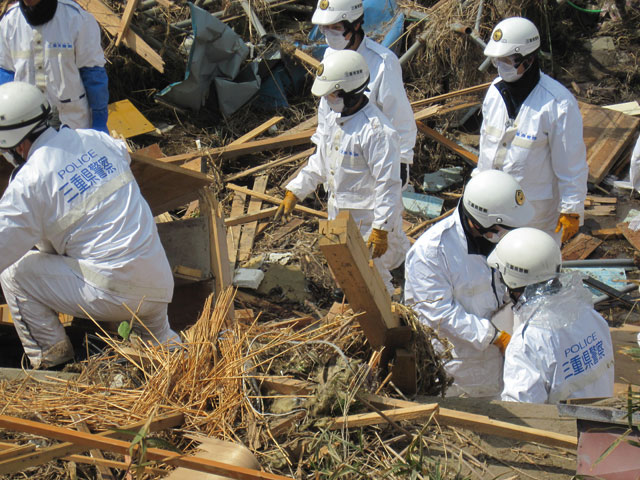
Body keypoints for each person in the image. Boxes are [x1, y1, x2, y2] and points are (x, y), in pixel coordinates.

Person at [0, 81, 176, 369]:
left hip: (111, 290)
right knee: (162, 351)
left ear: (18, 145)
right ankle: (193, 363)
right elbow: (122, 155)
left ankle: (53, 364)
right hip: (157, 283)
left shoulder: (29, 183)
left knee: (13, 275)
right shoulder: (97, 140)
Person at [275, 50, 409, 293]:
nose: (328, 99)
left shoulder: (377, 132)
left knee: (376, 280)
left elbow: (388, 184)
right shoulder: (336, 120)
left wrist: (381, 227)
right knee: (354, 273)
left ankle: (392, 322)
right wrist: (296, 190)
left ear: (352, 91)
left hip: (368, 221)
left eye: (333, 94)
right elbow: (321, 162)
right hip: (339, 214)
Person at [404, 170, 534, 397]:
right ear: (480, 223)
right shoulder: (432, 252)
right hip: (458, 365)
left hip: (500, 358)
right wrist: (493, 336)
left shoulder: (494, 237)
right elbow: (438, 312)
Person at [475, 16, 588, 244]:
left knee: (533, 272)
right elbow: (486, 151)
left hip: (536, 215)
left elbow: (571, 165)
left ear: (528, 59)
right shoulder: (495, 93)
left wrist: (571, 208)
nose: (501, 66)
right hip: (493, 207)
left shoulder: (557, 103)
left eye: (508, 60)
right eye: (497, 60)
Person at [488, 227, 614, 403]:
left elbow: (523, 414)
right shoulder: (589, 314)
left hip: (563, 429)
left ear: (513, 281)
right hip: (601, 422)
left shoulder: (529, 341)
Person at [311, 0, 416, 187]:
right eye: (324, 28)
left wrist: (401, 163)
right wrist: (320, 155)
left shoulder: (382, 63)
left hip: (371, 164)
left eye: (335, 27)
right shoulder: (330, 56)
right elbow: (325, 111)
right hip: (339, 163)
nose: (329, 34)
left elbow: (401, 119)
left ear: (356, 24)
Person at [0, 0, 109, 132]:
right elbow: (5, 75)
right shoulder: (9, 22)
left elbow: (93, 74)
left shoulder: (76, 18)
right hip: (28, 126)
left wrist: (99, 122)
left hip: (73, 124)